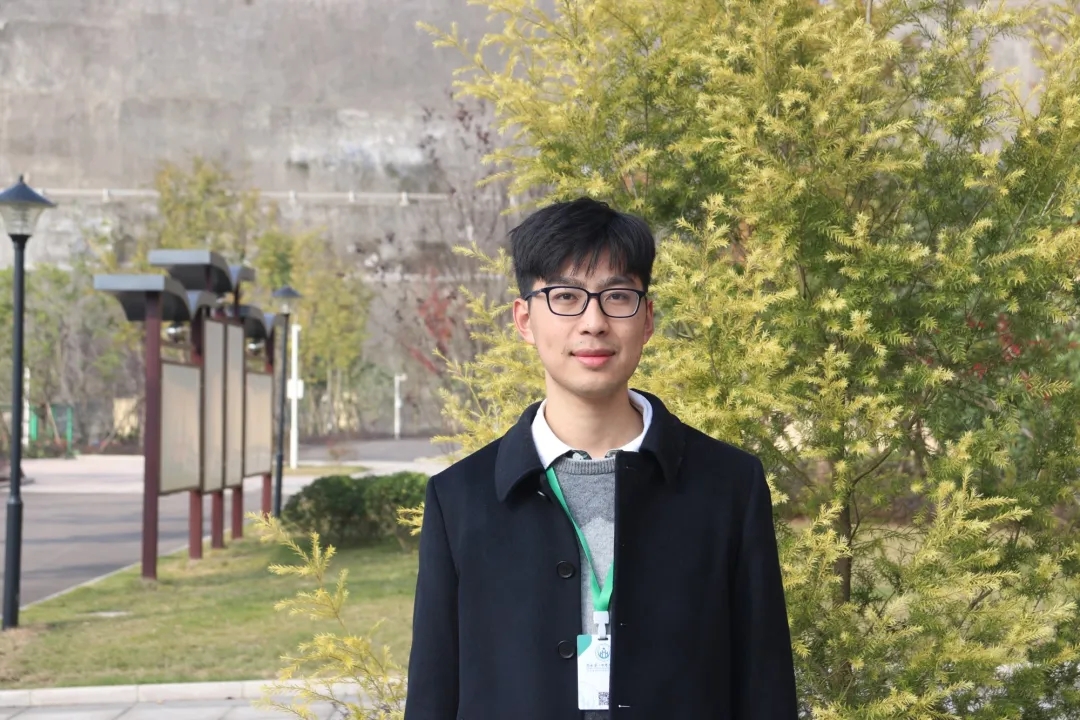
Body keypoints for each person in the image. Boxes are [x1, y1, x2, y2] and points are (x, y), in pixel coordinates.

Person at [404, 197, 798, 719]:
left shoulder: (728, 485)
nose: (593, 322)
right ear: (524, 319)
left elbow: (765, 687)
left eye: (617, 296)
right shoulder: (460, 499)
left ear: (647, 318)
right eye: (565, 296)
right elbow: (433, 695)